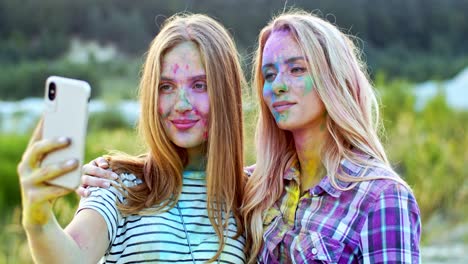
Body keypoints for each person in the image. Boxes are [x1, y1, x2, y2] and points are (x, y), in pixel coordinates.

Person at [81, 10, 421, 264]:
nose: (279, 85)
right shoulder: (260, 189)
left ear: (334, 77)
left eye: (297, 69)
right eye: (269, 74)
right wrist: (119, 170)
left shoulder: (381, 197)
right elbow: (188, 176)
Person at [18, 13, 246, 263]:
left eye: (200, 85)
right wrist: (38, 220)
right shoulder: (116, 182)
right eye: (166, 86)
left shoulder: (254, 194)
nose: (181, 104)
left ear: (226, 90)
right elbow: (72, 258)